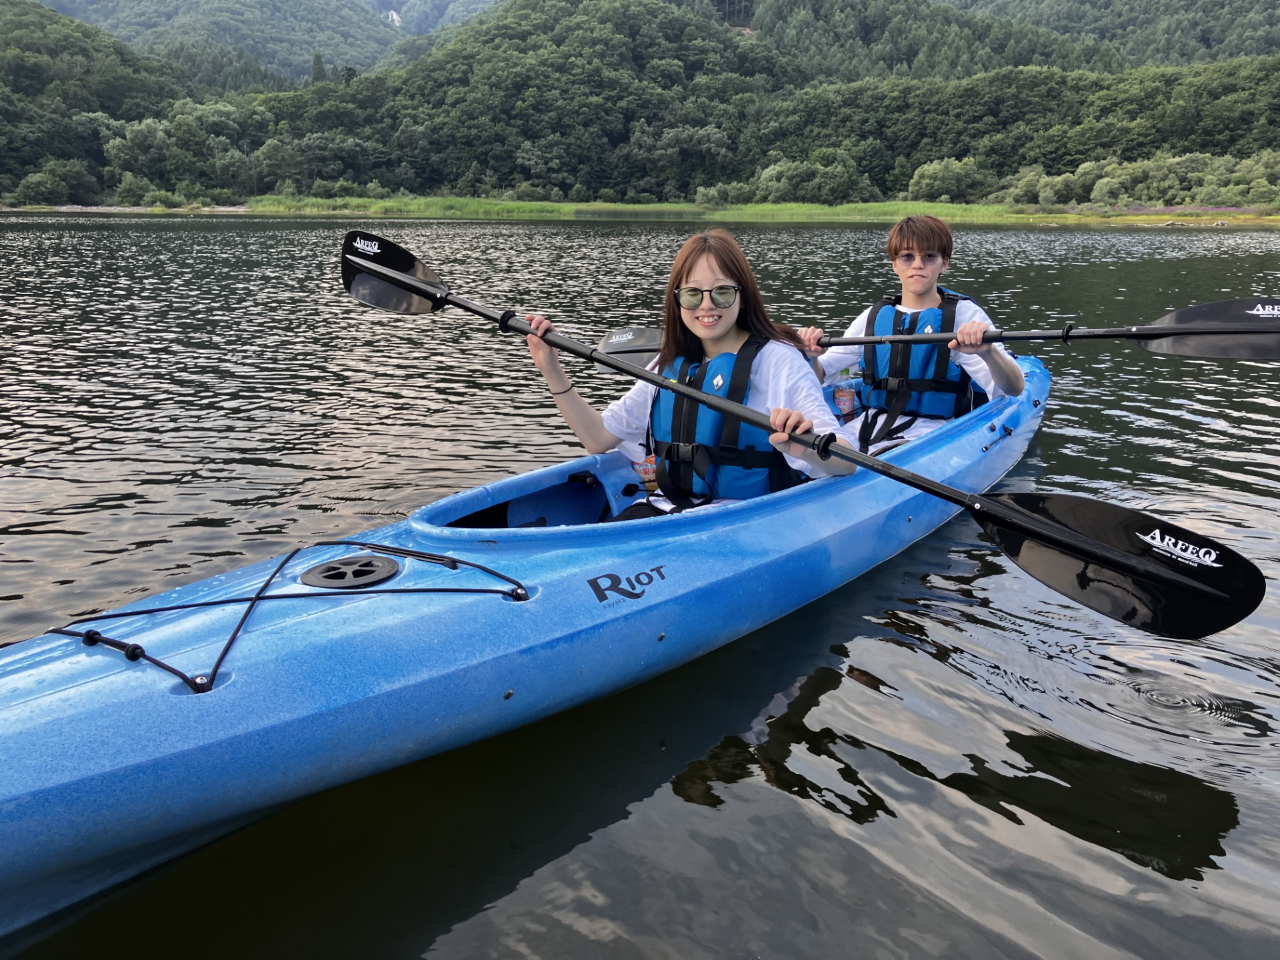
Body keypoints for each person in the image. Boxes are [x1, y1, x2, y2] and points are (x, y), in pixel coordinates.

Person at [524, 229, 858, 520]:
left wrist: (805, 448)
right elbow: (597, 438)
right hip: (668, 511)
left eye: (722, 292)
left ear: (743, 296)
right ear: (678, 300)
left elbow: (845, 460)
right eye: (692, 294)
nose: (706, 306)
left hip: (751, 517)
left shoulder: (779, 360)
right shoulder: (666, 366)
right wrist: (551, 369)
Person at [800, 215, 1025, 455]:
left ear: (944, 263)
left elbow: (1014, 388)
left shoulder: (963, 316)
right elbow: (820, 374)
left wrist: (988, 353)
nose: (917, 264)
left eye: (929, 256)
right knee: (815, 450)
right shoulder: (873, 317)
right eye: (907, 257)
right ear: (895, 264)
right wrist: (812, 356)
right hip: (867, 428)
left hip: (932, 436)